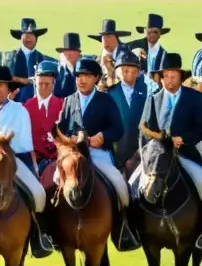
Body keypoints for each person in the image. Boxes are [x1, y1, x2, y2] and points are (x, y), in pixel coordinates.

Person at [132, 52, 202, 246]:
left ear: (180, 77)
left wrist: (184, 139)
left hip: (185, 152)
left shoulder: (195, 97)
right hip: (158, 154)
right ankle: (133, 229)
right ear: (161, 78)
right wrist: (158, 141)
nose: (169, 80)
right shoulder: (153, 98)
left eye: (173, 76)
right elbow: (144, 128)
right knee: (132, 183)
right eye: (166, 76)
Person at [56, 57, 140, 251]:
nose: (82, 80)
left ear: (95, 78)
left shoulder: (106, 100)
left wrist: (102, 136)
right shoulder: (69, 100)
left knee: (120, 187)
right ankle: (51, 230)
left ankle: (123, 230)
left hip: (98, 152)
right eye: (79, 76)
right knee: (53, 182)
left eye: (86, 76)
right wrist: (68, 139)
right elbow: (61, 128)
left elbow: (118, 130)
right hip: (73, 154)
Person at [0, 66, 51, 256]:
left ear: (9, 89)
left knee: (38, 193)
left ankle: (38, 235)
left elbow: (23, 141)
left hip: (13, 161)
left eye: (2, 86)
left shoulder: (20, 111)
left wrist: (2, 151)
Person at [109, 53, 149, 171]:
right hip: (116, 151)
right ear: (118, 72)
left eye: (133, 71)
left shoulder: (146, 91)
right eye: (125, 70)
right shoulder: (109, 93)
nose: (129, 74)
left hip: (140, 151)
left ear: (138, 73)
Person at [23, 60, 63, 174]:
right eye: (40, 84)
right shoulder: (26, 107)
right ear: (35, 83)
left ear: (53, 83)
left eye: (47, 84)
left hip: (58, 159)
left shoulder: (62, 105)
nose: (44, 87)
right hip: (33, 160)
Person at [8, 17, 48, 103]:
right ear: (21, 37)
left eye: (31, 35)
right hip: (15, 101)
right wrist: (24, 81)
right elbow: (5, 77)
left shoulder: (42, 58)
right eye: (26, 34)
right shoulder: (10, 57)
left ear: (36, 38)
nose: (28, 38)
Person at [54, 32, 82, 99]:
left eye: (71, 50)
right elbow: (58, 92)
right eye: (65, 51)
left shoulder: (85, 68)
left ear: (78, 53)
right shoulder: (61, 71)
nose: (68, 54)